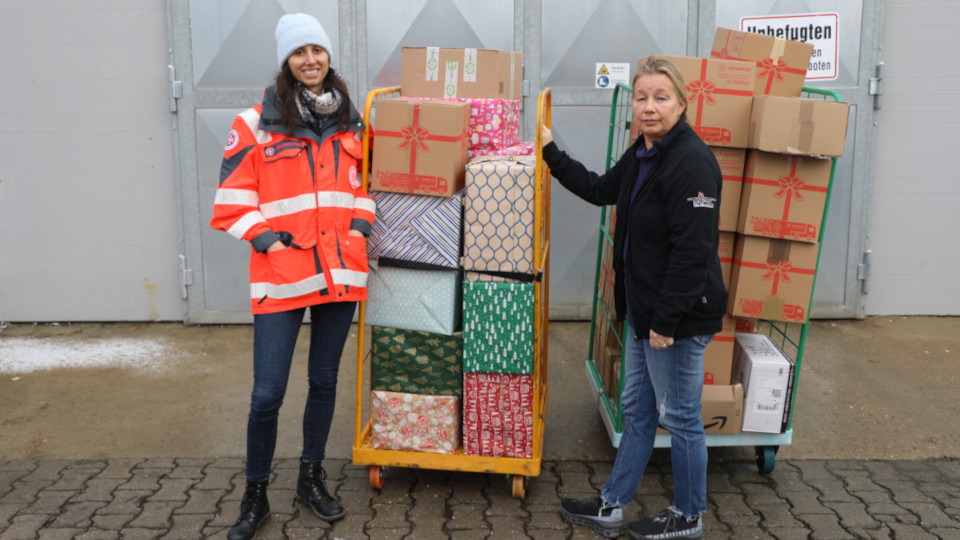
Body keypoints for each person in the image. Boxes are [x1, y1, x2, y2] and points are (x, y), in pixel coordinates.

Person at [541, 56, 727, 540]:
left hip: (677, 319)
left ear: (682, 104)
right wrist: (551, 153)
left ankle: (689, 515)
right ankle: (612, 504)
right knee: (639, 410)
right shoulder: (644, 153)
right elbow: (602, 189)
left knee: (681, 417)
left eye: (661, 98)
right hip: (646, 313)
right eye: (642, 97)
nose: (650, 107)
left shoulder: (691, 163)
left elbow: (693, 252)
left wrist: (664, 322)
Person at [210, 13, 375, 540]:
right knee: (267, 394)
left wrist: (358, 228)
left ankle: (310, 478)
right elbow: (232, 202)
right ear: (286, 60)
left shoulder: (353, 120)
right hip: (282, 274)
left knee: (324, 381)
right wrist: (270, 240)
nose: (310, 60)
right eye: (299, 52)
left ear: (328, 57)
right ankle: (254, 495)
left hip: (338, 271)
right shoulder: (254, 121)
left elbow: (368, 185)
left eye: (317, 51)